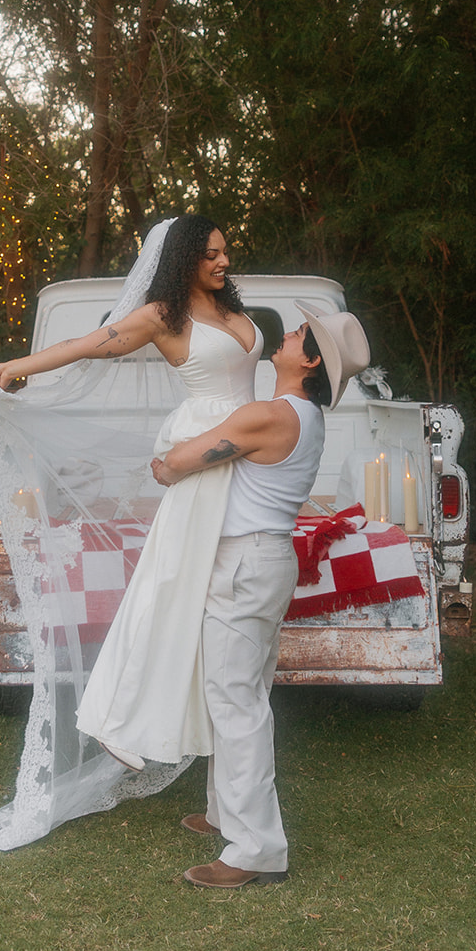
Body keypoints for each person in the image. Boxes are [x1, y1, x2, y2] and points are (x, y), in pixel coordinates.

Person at [0, 215, 265, 851]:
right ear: (185, 258)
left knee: (215, 609)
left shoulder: (232, 309)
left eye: (225, 253)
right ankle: (116, 720)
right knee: (170, 589)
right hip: (202, 456)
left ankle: (195, 740)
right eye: (211, 255)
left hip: (241, 454)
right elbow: (91, 343)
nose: (223, 262)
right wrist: (18, 366)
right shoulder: (162, 316)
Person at [151, 302, 371, 887]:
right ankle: (226, 811)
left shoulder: (270, 415)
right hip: (263, 559)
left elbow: (175, 464)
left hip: (246, 562)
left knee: (236, 700)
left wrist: (165, 461)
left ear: (311, 359)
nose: (288, 333)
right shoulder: (303, 414)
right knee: (237, 687)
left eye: (300, 334)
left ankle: (254, 849)